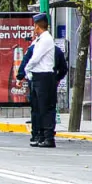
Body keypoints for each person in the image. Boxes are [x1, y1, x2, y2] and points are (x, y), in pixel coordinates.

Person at [18, 13, 61, 147]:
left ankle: (48, 137)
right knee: (38, 108)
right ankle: (41, 135)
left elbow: (35, 59)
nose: (33, 28)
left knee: (46, 108)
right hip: (38, 77)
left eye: (34, 26)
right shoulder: (39, 40)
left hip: (44, 77)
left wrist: (27, 69)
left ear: (38, 26)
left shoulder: (46, 39)